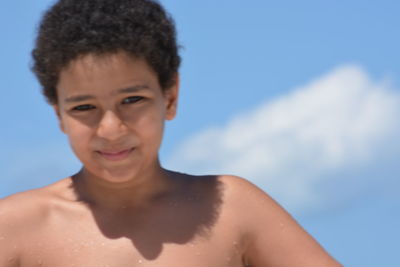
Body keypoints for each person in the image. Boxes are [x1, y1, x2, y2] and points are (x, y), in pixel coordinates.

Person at [0, 0, 342, 266]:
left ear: (171, 96)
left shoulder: (231, 209)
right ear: (58, 113)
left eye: (132, 100)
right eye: (83, 108)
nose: (111, 129)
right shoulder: (15, 227)